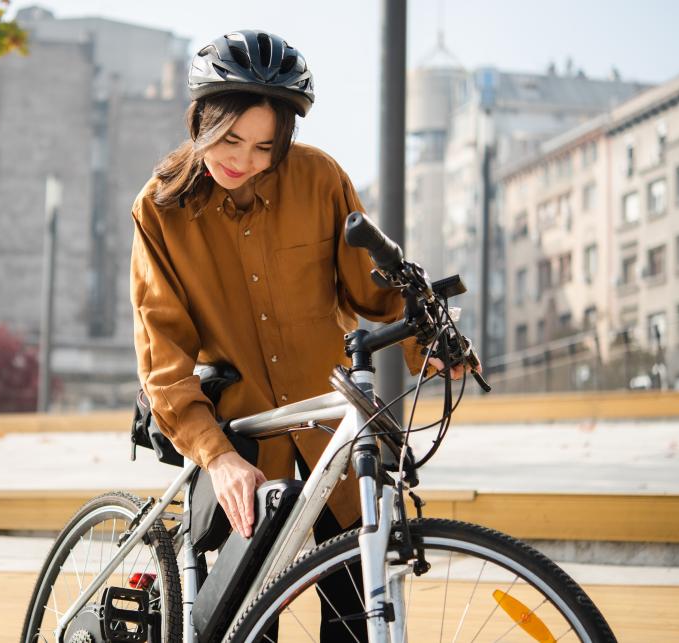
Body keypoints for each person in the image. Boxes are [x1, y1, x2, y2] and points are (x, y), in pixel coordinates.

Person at [130, 29, 474, 639]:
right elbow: (164, 354)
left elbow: (375, 289)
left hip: (334, 444)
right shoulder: (161, 209)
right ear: (201, 121)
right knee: (242, 631)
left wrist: (433, 337)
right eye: (230, 139)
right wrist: (218, 458)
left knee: (356, 622)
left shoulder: (318, 178)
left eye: (266, 146)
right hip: (246, 451)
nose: (246, 160)